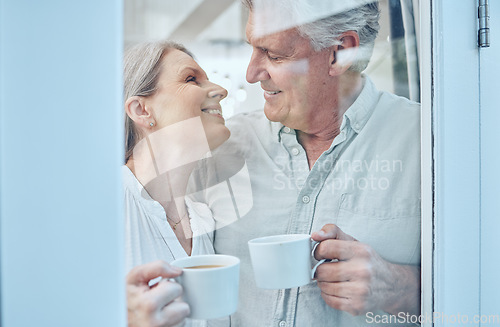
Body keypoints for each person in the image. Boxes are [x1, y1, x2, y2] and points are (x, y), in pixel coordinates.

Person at [191, 0, 421, 326]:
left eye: (273, 55)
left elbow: (484, 289)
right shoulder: (224, 147)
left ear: (341, 52)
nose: (252, 73)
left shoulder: (429, 145)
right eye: (253, 49)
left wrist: (403, 288)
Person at [122, 41, 230, 326]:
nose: (221, 90)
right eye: (191, 78)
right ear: (142, 110)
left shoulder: (203, 220)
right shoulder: (103, 203)